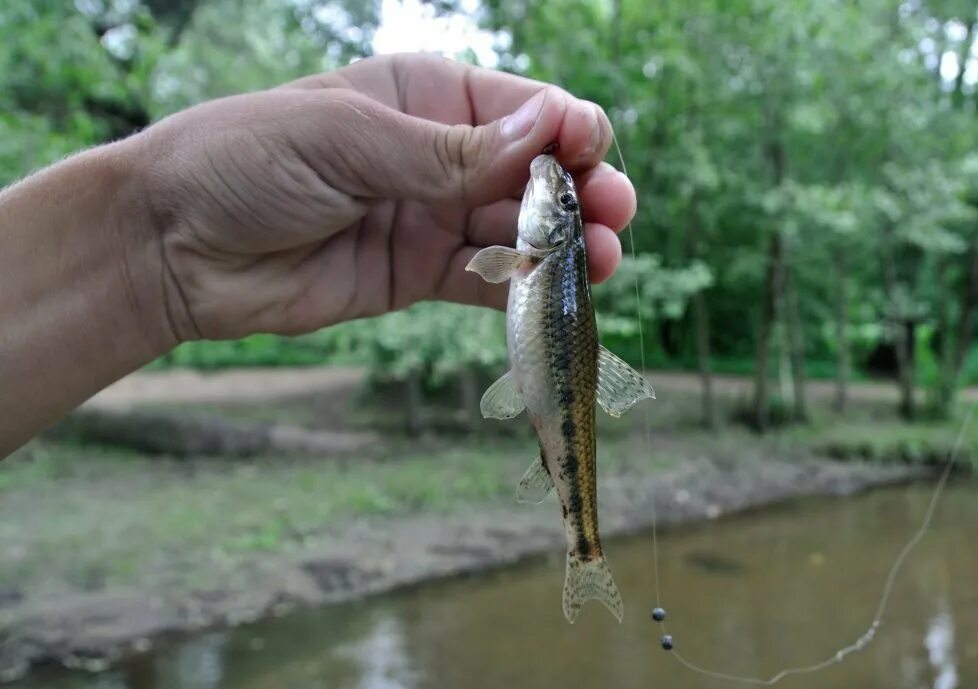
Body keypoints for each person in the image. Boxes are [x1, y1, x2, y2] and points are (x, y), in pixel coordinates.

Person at [0, 53, 636, 459]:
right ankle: (582, 533)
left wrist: (155, 250)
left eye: (562, 201)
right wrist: (156, 242)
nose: (552, 190)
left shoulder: (526, 254)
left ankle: (580, 537)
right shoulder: (529, 249)